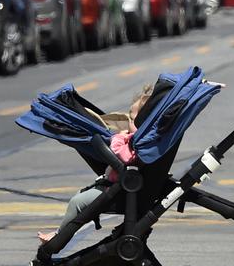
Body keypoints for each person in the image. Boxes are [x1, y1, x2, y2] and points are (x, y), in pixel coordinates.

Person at [37, 84, 153, 243]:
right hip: (117, 187)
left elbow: (125, 157)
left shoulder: (138, 143)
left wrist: (118, 138)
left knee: (77, 203)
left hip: (121, 192)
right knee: (80, 197)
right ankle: (59, 234)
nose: (128, 121)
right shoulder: (143, 140)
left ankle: (57, 238)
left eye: (132, 119)